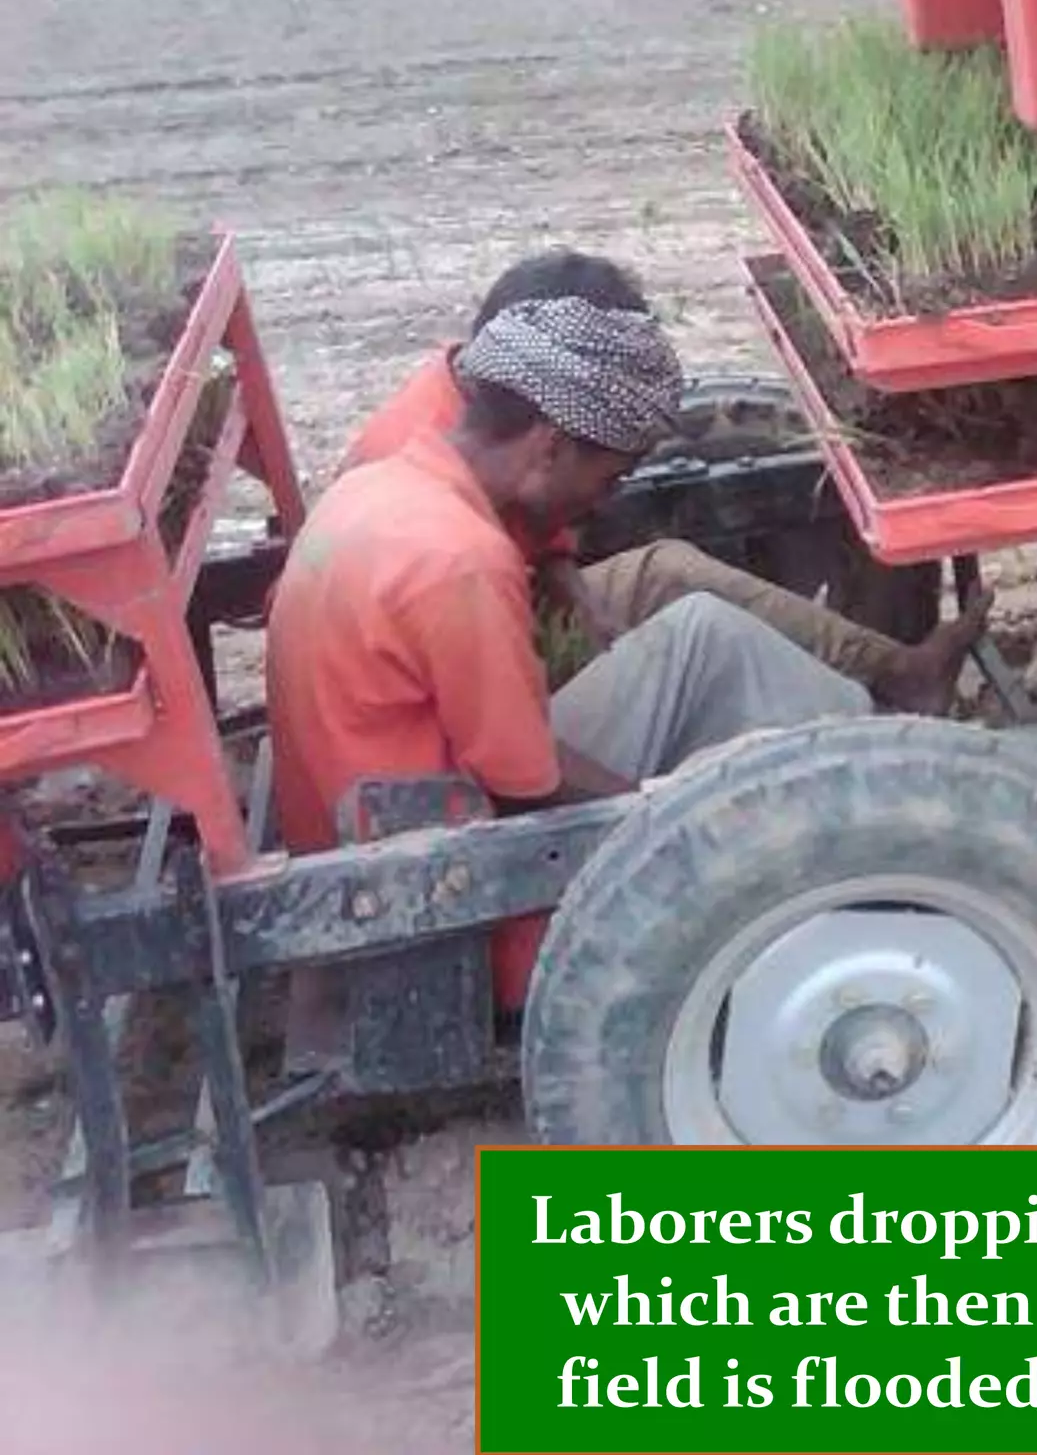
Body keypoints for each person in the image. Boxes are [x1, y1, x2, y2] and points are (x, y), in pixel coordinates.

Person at [265, 297, 888, 1040]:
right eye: (611, 477)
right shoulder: (460, 562)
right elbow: (526, 786)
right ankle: (877, 833)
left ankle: (868, 774)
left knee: (701, 635)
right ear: (550, 447)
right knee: (718, 784)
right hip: (449, 885)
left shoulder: (382, 486)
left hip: (385, 819)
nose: (601, 503)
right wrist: (685, 813)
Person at [338, 248, 988, 714]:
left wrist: (574, 591)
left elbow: (537, 530)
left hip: (498, 622)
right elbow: (510, 758)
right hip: (457, 680)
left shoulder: (485, 412)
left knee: (667, 577)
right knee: (689, 628)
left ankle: (896, 673)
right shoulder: (432, 514)